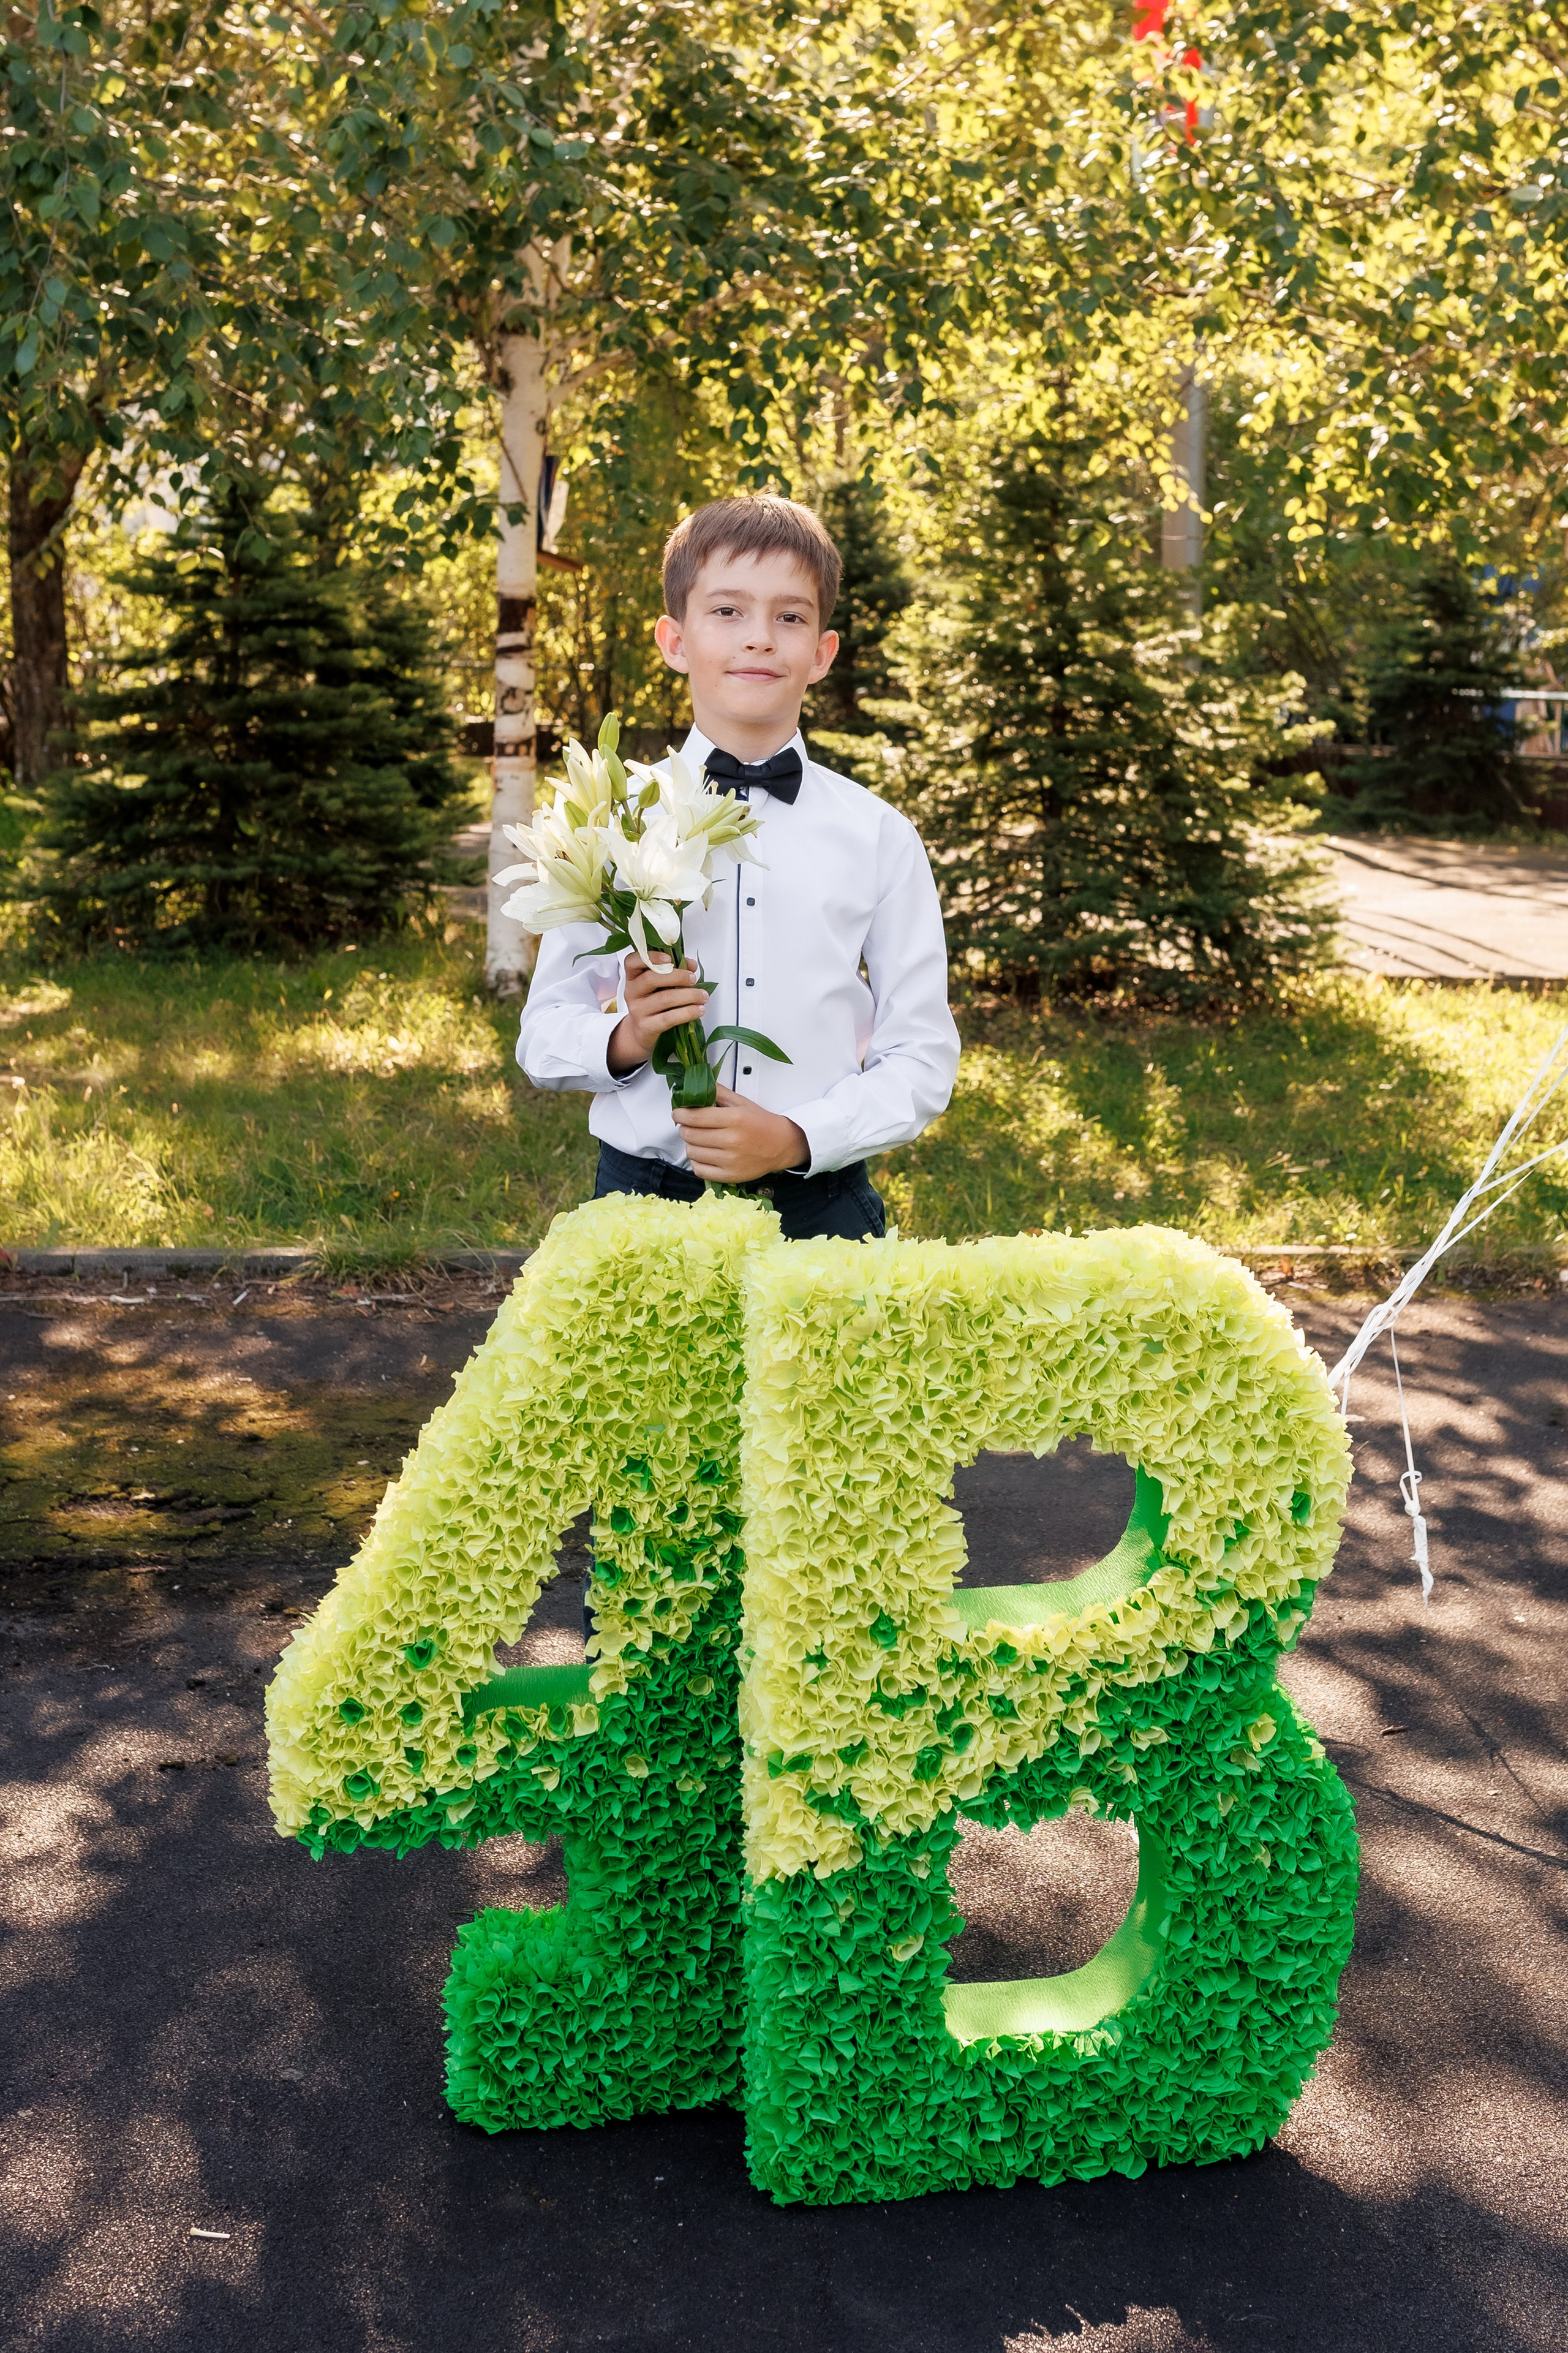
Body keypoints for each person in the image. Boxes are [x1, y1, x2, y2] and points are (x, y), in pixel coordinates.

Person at [516, 492, 960, 1244]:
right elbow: (541, 1037)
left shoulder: (879, 836)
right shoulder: (612, 820)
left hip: (819, 1207)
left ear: (821, 652)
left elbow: (920, 1057)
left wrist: (797, 1136)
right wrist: (627, 1037)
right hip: (640, 1204)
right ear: (675, 640)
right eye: (727, 611)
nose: (759, 638)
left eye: (789, 617)